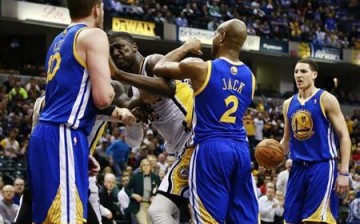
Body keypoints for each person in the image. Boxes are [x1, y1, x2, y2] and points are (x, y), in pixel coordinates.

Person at [154, 19, 258, 223]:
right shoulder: (251, 77)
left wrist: (186, 47)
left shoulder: (201, 67)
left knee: (208, 218)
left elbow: (159, 67)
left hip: (211, 148)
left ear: (221, 37)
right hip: (241, 150)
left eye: (215, 35)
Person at [26, 0, 118, 222]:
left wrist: (82, 152)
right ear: (97, 8)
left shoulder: (58, 40)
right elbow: (103, 97)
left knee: (50, 217)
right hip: (63, 136)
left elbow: (61, 100)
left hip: (46, 136)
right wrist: (113, 90)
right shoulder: (94, 35)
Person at [109, 32, 196, 224]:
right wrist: (133, 119)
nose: (115, 52)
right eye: (111, 50)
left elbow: (167, 88)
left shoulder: (152, 62)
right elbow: (134, 142)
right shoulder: (133, 90)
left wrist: (135, 102)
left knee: (158, 212)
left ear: (134, 46)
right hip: (182, 151)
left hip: (195, 140)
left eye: (119, 46)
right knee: (167, 213)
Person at [280, 59, 351, 223]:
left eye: (303, 71)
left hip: (322, 165)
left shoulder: (326, 99)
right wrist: (273, 158)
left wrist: (344, 172)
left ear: (314, 75)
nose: (298, 75)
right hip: (297, 168)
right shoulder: (287, 104)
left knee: (316, 220)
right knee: (290, 220)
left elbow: (345, 137)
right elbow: (286, 139)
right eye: (296, 71)